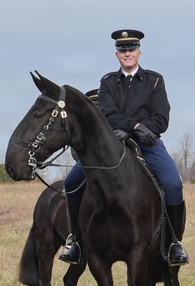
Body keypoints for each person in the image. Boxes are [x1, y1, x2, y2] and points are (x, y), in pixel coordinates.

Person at [58, 29, 188, 266]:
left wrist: (136, 130)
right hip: (112, 145)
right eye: (122, 50)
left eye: (131, 49)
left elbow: (161, 118)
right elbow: (106, 114)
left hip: (147, 144)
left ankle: (174, 243)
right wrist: (135, 126)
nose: (127, 53)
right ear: (116, 54)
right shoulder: (107, 82)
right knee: (71, 182)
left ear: (139, 52)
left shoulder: (155, 81)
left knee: (173, 184)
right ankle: (75, 240)